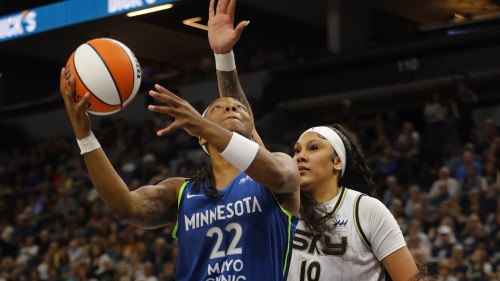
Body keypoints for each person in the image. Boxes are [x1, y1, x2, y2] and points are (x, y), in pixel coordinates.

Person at [58, 1, 300, 280]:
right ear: (202, 140)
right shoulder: (181, 193)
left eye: (240, 109)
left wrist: (224, 58)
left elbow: (279, 175)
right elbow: (126, 206)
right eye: (219, 109)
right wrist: (84, 135)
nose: (232, 108)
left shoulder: (276, 173)